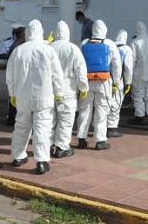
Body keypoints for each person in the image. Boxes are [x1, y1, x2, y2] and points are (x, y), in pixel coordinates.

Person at [6, 19, 65, 175]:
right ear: (41, 32)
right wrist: (59, 93)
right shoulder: (48, 50)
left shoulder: (18, 51)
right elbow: (57, 75)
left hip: (22, 97)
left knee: (21, 127)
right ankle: (41, 161)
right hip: (44, 97)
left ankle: (18, 157)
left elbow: (9, 76)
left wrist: (12, 94)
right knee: (42, 129)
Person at [77, 20, 122, 150]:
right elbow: (116, 65)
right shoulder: (110, 44)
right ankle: (100, 140)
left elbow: (79, 64)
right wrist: (116, 82)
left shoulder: (84, 43)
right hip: (104, 81)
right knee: (102, 110)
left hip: (87, 81)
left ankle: (81, 138)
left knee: (85, 109)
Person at [49, 20, 88, 159]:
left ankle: (46, 146)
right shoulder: (73, 48)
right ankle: (62, 147)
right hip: (68, 90)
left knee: (49, 119)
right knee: (66, 119)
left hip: (50, 90)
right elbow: (80, 71)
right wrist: (83, 87)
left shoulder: (49, 47)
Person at [127, 21, 148, 126]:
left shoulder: (134, 42)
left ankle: (140, 116)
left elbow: (131, 60)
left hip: (139, 73)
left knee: (138, 95)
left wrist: (129, 74)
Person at [107, 29, 132, 138]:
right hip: (119, 80)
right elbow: (128, 67)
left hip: (107, 79)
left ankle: (103, 127)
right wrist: (128, 82)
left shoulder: (110, 46)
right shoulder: (126, 49)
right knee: (116, 104)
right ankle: (112, 128)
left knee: (106, 103)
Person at [5, 25, 26, 126]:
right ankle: (11, 119)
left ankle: (12, 119)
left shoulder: (17, 45)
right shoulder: (18, 46)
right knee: (14, 101)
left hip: (16, 75)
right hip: (17, 76)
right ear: (22, 34)